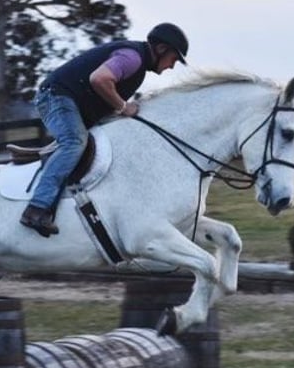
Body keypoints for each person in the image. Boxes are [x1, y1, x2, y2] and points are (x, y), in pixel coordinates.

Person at [20, 22, 189, 237]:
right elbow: (99, 79)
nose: (172, 66)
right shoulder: (133, 58)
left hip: (71, 101)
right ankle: (36, 209)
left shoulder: (138, 66)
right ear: (161, 49)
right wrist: (123, 106)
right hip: (55, 97)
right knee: (74, 141)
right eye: (174, 59)